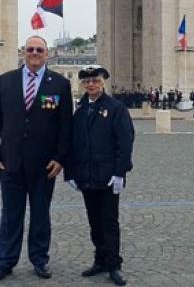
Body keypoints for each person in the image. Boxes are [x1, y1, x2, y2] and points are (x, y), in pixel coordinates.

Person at [0, 35, 73, 280]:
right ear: (23, 52)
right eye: (30, 49)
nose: (34, 53)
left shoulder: (60, 84)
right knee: (10, 215)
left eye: (39, 49)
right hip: (10, 162)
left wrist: (60, 158)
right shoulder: (4, 81)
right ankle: (6, 259)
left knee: (41, 215)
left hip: (45, 165)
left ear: (47, 53)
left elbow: (66, 127)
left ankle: (40, 259)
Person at [65, 65, 134, 286]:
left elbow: (125, 143)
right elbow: (72, 144)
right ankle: (100, 259)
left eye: (95, 80)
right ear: (83, 85)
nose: (91, 85)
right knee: (94, 221)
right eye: (87, 82)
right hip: (86, 176)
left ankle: (114, 265)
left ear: (102, 82)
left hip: (107, 176)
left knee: (109, 222)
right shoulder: (80, 110)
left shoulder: (116, 108)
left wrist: (120, 173)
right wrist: (70, 173)